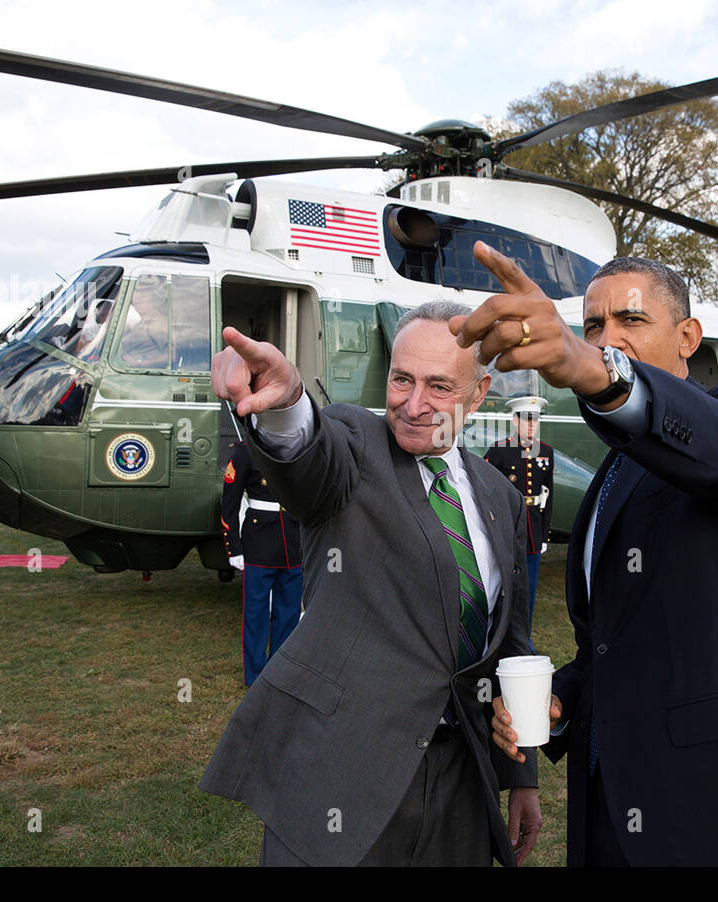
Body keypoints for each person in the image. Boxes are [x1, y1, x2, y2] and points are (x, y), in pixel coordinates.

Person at [463, 244, 718, 866]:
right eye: (594, 326)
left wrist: (597, 370)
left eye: (631, 320)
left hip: (715, 804)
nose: (609, 337)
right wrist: (562, 699)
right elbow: (613, 641)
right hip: (610, 801)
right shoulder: (612, 473)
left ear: (688, 337)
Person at [199, 300, 541, 867]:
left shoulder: (499, 496)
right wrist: (286, 404)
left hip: (460, 780)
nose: (412, 404)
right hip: (342, 775)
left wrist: (522, 774)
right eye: (401, 379)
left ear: (478, 395)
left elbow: (512, 649)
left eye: (438, 387)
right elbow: (309, 460)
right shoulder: (354, 443)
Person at [220, 438, 304, 686]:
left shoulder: (299, 449)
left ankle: (280, 672)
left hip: (293, 541)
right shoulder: (246, 451)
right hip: (259, 542)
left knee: (288, 612)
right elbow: (229, 502)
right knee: (256, 614)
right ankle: (255, 676)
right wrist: (233, 546)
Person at [484, 395, 554, 619]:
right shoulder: (499, 450)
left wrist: (544, 535)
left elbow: (548, 495)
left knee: (528, 589)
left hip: (533, 529)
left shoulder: (546, 452)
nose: (532, 424)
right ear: (515, 421)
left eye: (535, 419)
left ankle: (525, 639)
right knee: (502, 585)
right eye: (526, 419)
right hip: (507, 527)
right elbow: (487, 491)